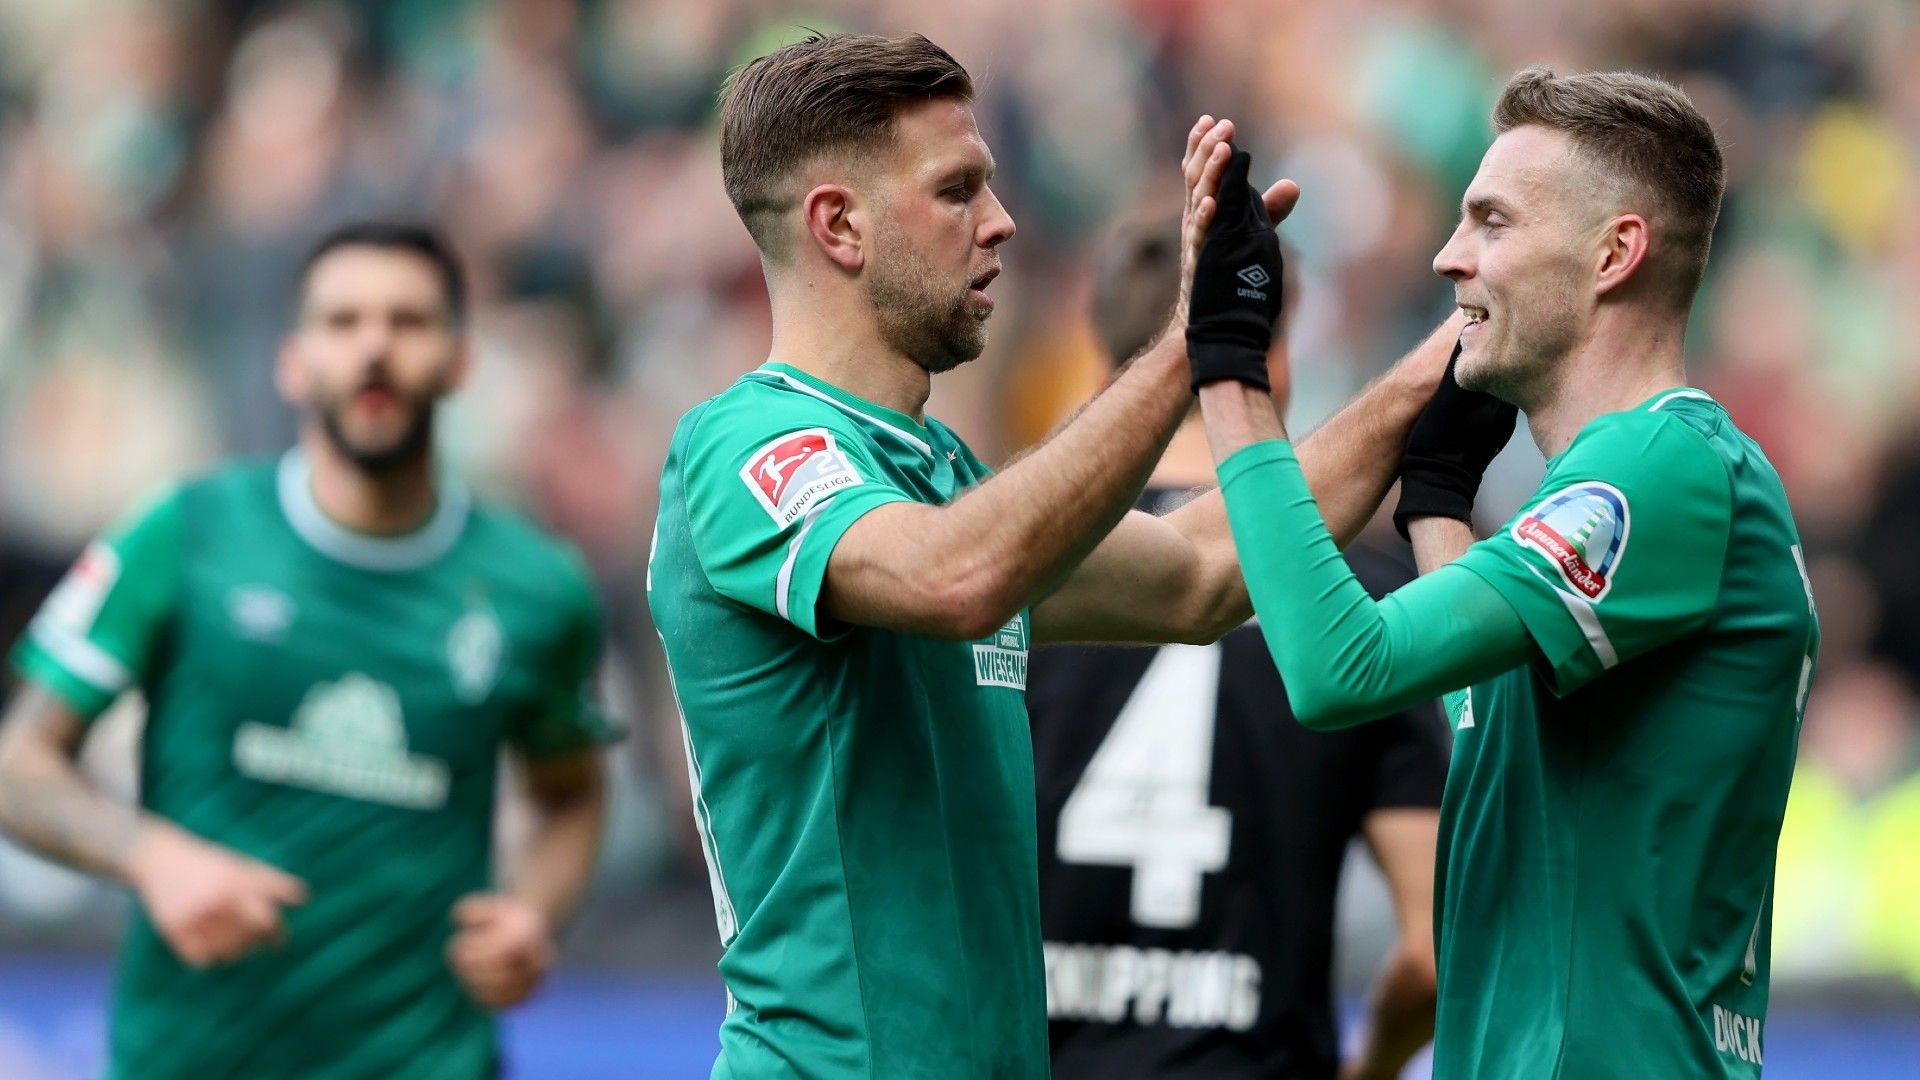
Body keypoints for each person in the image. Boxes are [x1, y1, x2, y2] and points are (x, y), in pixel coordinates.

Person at [647, 31, 1459, 1079]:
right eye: (956, 191)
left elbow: (1206, 572)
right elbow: (957, 577)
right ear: (838, 224)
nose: (1002, 221)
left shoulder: (940, 474)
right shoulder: (745, 445)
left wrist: (1452, 353)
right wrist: (1193, 342)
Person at [1192, 70, 1819, 1078]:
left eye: (1492, 222)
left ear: (1613, 254)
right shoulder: (1651, 479)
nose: (1450, 256)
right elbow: (1497, 714)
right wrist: (1439, 499)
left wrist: (1228, 366)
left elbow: (1337, 669)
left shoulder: (1660, 467)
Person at [0, 223, 618, 1079]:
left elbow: (570, 791)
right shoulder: (187, 533)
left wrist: (533, 914)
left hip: (425, 1061)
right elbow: (19, 767)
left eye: (408, 321)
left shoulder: (536, 587)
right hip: (189, 1060)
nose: (374, 347)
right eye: (342, 321)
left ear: (460, 361)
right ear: (293, 360)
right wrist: (149, 857)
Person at [1028, 218, 1445, 1079]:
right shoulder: (1360, 593)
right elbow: (1435, 950)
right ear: (1274, 362)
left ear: (1104, 374)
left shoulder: (1025, 579)